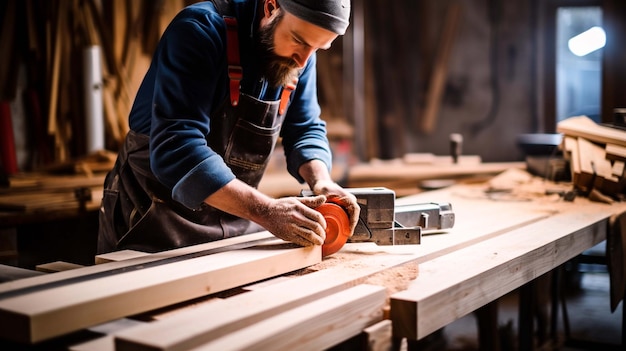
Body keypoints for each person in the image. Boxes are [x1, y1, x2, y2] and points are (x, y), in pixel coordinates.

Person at [97, 0, 360, 254]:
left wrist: (322, 181)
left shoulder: (300, 55)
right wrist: (266, 210)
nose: (303, 61)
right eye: (300, 41)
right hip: (154, 219)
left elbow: (304, 128)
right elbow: (178, 149)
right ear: (271, 6)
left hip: (233, 221)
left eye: (317, 48)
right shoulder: (200, 30)